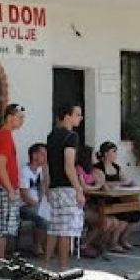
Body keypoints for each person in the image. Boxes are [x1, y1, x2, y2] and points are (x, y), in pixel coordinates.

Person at [45, 104, 86, 271]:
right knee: (66, 229)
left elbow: (47, 164)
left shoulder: (51, 136)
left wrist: (47, 185)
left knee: (54, 227)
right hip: (66, 187)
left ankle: (46, 264)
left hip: (54, 186)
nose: (80, 118)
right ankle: (64, 267)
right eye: (77, 114)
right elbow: (69, 166)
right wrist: (79, 189)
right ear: (67, 116)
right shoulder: (71, 136)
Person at [0, 103, 25, 259]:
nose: (22, 121)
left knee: (3, 227)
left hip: (4, 187)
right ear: (9, 118)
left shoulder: (5, 135)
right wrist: (10, 189)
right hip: (2, 188)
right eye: (20, 117)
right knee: (1, 228)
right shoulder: (4, 136)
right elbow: (0, 167)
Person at [93, 141, 140, 251]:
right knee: (123, 214)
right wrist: (120, 183)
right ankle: (113, 242)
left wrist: (131, 183)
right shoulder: (98, 167)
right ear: (105, 153)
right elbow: (102, 184)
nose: (116, 154)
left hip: (117, 198)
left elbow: (125, 180)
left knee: (135, 213)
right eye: (113, 151)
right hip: (103, 199)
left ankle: (122, 239)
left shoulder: (116, 167)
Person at [19, 143, 49, 257]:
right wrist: (38, 205)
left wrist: (42, 202)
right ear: (34, 155)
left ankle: (47, 245)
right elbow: (24, 195)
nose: (45, 157)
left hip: (36, 204)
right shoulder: (24, 171)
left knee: (52, 214)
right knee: (43, 218)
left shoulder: (40, 170)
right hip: (24, 206)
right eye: (43, 154)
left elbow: (43, 186)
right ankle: (37, 246)